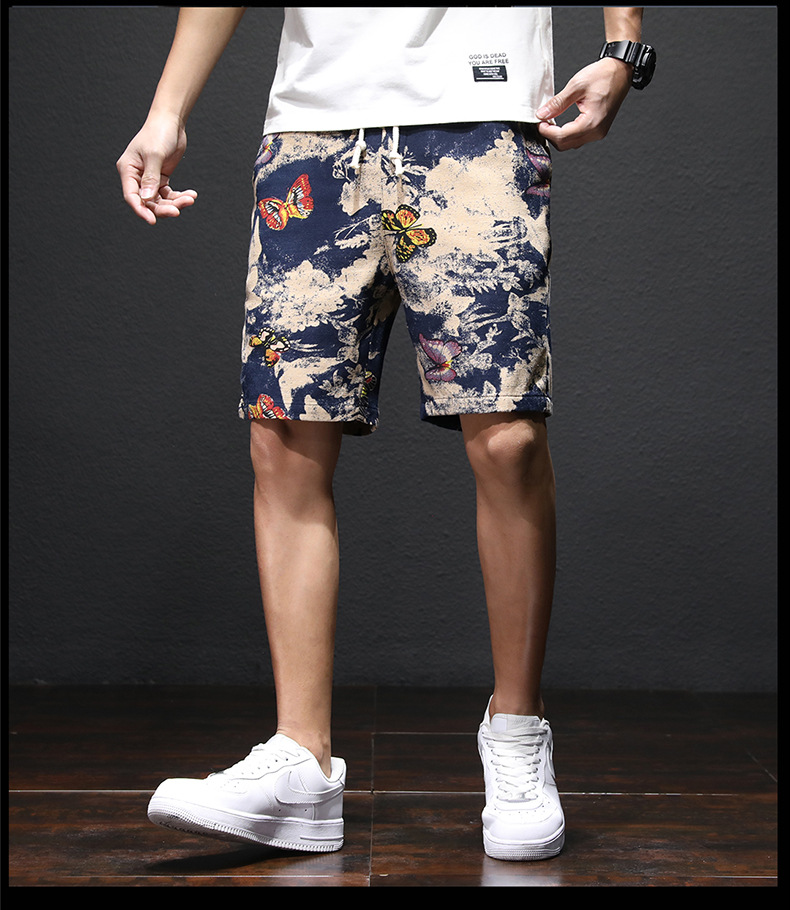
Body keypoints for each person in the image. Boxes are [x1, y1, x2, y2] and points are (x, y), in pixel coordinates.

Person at [117, 7, 653, 861]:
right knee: (284, 435)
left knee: (508, 436)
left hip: (481, 116)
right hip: (313, 125)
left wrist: (624, 47)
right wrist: (167, 108)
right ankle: (301, 759)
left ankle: (517, 732)